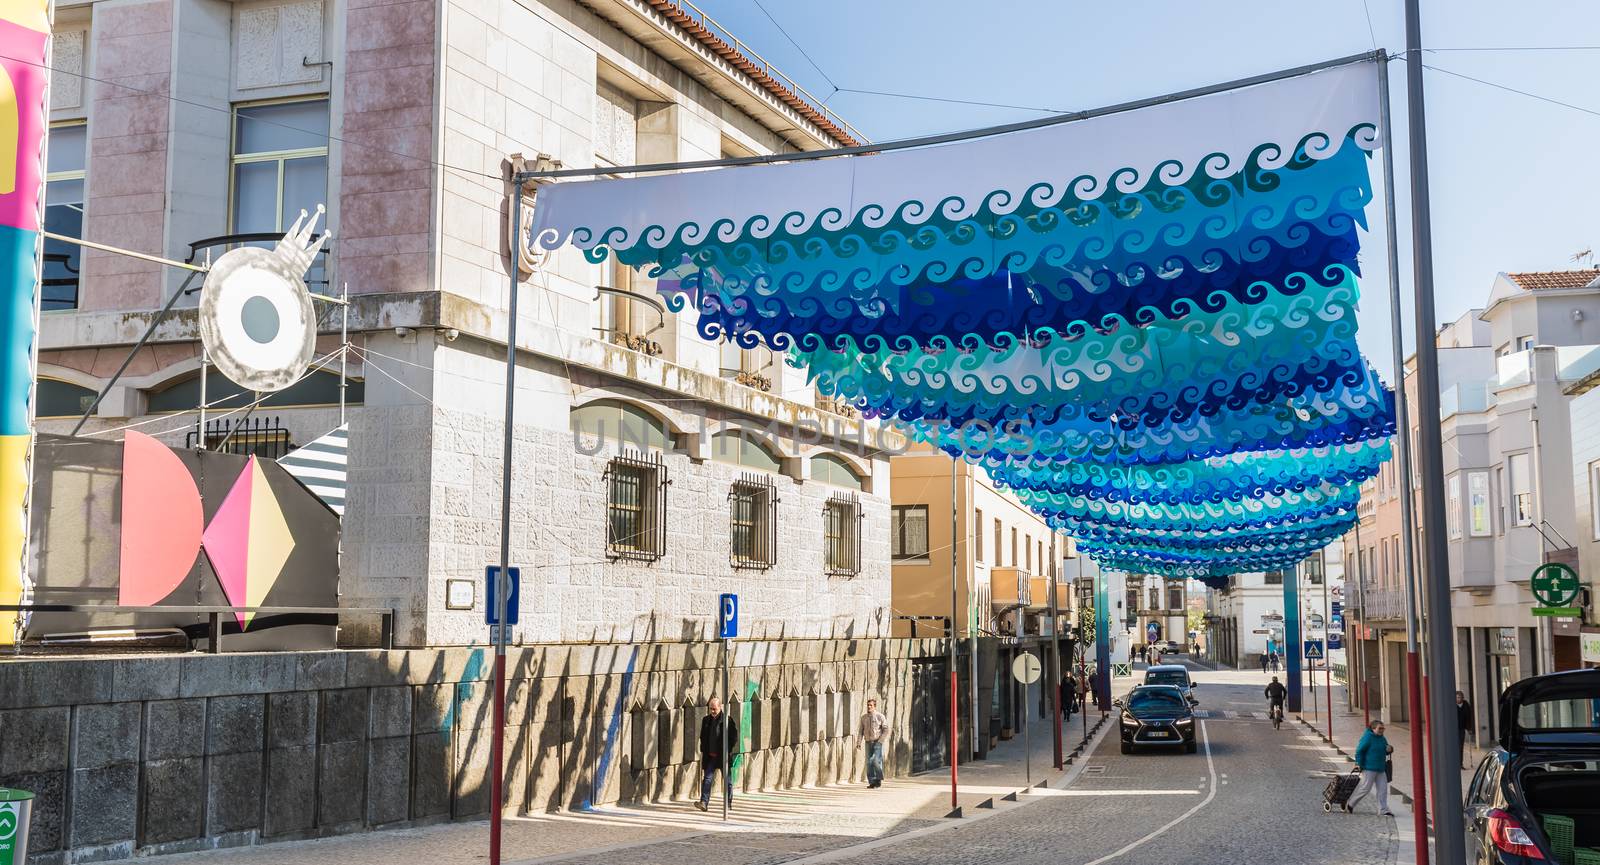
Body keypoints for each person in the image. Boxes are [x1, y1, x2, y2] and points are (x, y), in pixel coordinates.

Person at [696, 696, 739, 811]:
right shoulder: (706, 720)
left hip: (722, 757)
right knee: (707, 779)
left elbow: (734, 737)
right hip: (710, 756)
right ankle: (704, 802)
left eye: (714, 709)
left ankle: (728, 803)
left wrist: (727, 750)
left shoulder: (727, 720)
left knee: (728, 781)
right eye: (711, 709)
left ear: (720, 707)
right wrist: (703, 749)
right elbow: (703, 736)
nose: (712, 711)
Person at [1345, 719, 1395, 816]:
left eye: (1383, 728)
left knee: (1383, 789)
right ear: (1373, 729)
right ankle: (1350, 804)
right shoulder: (1367, 738)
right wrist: (1359, 764)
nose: (1382, 730)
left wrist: (1389, 749)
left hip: (1381, 768)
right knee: (1365, 788)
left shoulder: (1382, 738)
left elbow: (1386, 749)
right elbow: (1359, 751)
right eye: (1380, 728)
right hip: (1369, 768)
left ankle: (1383, 809)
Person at [859, 697, 889, 788]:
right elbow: (860, 731)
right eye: (868, 705)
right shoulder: (863, 718)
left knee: (875, 761)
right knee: (868, 763)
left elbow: (886, 729)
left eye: (871, 705)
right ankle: (872, 782)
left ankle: (878, 779)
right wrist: (858, 742)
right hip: (868, 742)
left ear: (874, 706)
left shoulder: (880, 716)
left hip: (877, 742)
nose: (869, 707)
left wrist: (880, 741)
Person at [1456, 691, 1474, 769]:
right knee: (1454, 747)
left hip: (1461, 729)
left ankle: (1460, 764)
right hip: (1453, 729)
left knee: (1460, 747)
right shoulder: (1452, 705)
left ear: (1462, 698)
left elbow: (1468, 718)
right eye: (1457, 697)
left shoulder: (1466, 705)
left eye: (1460, 697)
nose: (1458, 699)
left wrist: (1469, 728)